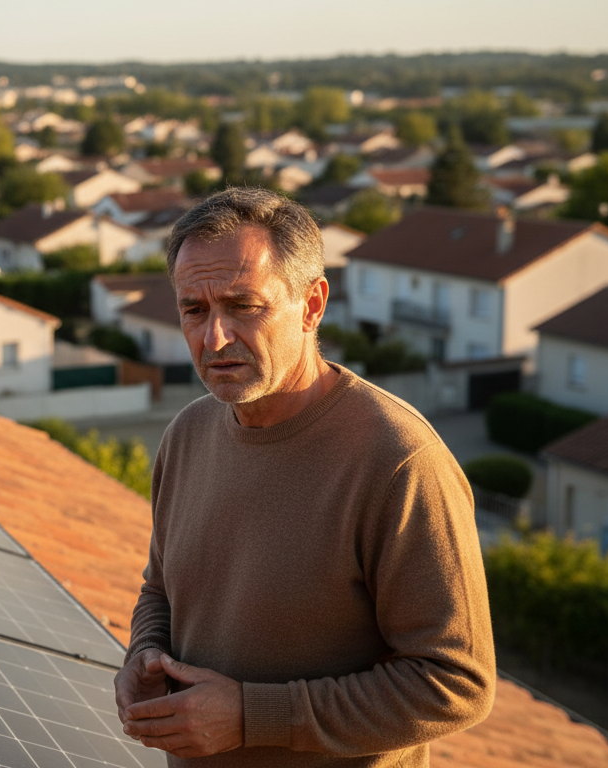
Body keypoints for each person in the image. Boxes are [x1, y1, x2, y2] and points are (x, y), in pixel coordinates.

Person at [114, 188, 495, 766]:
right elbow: (161, 590)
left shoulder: (399, 460)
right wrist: (144, 653)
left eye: (244, 306)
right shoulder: (187, 435)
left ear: (312, 305)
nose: (213, 338)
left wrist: (250, 715)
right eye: (194, 309)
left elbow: (455, 683)